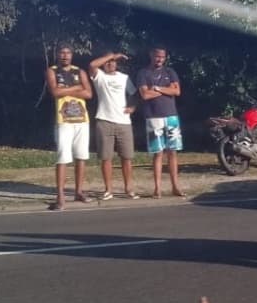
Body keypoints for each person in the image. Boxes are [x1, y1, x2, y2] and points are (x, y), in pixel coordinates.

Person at [45, 44, 94, 211]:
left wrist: (66, 90)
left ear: (72, 55)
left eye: (68, 53)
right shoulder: (52, 71)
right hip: (63, 120)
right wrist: (76, 88)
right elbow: (55, 92)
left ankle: (78, 191)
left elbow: (89, 94)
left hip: (81, 119)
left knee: (81, 157)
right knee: (63, 157)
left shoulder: (79, 71)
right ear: (57, 54)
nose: (65, 56)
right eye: (62, 53)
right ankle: (60, 196)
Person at [88, 51, 140, 200]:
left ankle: (129, 188)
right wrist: (112, 55)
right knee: (106, 158)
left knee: (127, 157)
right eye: (108, 62)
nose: (110, 64)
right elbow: (92, 65)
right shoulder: (100, 77)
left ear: (117, 64)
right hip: (104, 120)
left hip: (124, 122)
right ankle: (108, 190)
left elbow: (135, 94)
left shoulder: (124, 78)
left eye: (113, 62)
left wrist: (133, 107)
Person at [136, 46, 185, 198]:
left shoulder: (170, 72)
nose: (160, 59)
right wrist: (165, 89)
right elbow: (144, 95)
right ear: (151, 55)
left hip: (171, 116)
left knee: (173, 153)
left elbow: (176, 91)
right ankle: (157, 188)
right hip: (153, 117)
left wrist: (156, 88)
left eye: (162, 57)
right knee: (158, 154)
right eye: (157, 56)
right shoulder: (143, 73)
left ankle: (175, 186)